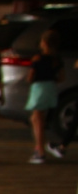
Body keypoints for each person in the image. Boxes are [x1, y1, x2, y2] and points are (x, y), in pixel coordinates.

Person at [28, 28, 64, 164]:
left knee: (37, 119)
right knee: (37, 118)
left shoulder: (38, 59)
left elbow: (30, 77)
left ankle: (40, 151)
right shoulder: (57, 60)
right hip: (51, 87)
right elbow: (61, 77)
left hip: (39, 88)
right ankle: (38, 148)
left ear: (44, 43)